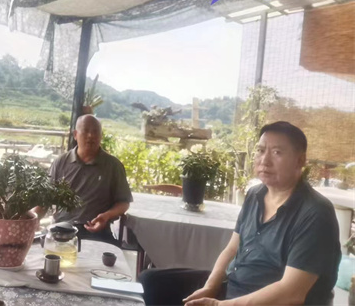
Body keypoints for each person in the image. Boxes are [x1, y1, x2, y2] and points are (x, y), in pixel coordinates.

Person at [140, 121, 341, 306]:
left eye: (277, 152)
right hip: (234, 285)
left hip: (272, 301)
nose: (265, 160)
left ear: (300, 160)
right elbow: (232, 249)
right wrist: (210, 287)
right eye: (260, 150)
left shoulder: (316, 213)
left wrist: (221, 305)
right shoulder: (255, 194)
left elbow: (291, 293)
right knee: (152, 281)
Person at [41, 114, 133, 245]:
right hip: (62, 230)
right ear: (75, 135)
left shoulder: (113, 166)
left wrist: (106, 216)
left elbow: (123, 202)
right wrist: (31, 218)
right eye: (85, 131)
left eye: (95, 132)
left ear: (101, 136)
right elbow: (44, 199)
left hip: (97, 231)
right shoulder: (60, 162)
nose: (90, 136)